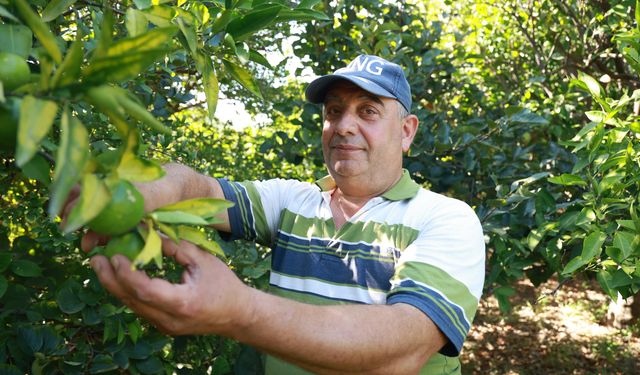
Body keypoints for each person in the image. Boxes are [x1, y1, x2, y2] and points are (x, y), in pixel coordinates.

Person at [69, 54, 485, 374]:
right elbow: (202, 189)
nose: (343, 126)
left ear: (407, 131)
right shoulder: (294, 201)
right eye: (334, 111)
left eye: (368, 111)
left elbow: (400, 350)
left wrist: (240, 312)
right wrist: (154, 189)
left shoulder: (445, 218)